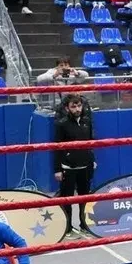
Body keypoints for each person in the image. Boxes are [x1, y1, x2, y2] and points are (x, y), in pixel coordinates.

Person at [53, 94, 96, 238]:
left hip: (85, 166)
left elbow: (90, 142)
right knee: (67, 199)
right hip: (68, 168)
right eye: (73, 106)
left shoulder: (87, 121)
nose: (77, 109)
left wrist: (92, 160)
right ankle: (68, 228)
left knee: (84, 198)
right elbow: (57, 148)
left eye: (79, 106)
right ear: (67, 108)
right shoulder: (61, 124)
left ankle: (84, 225)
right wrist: (57, 169)